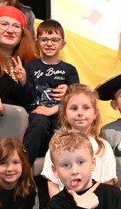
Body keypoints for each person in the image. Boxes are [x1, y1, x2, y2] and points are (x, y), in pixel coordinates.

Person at [41, 85, 117, 197]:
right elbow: (53, 184)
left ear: (95, 114)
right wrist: (59, 206)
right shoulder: (56, 147)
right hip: (65, 205)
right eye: (74, 108)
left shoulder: (103, 147)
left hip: (97, 204)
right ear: (65, 115)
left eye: (86, 108)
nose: (80, 113)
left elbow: (108, 183)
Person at [22, 19, 80, 161]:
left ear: (62, 43)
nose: (49, 44)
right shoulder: (30, 67)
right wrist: (23, 81)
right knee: (39, 123)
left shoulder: (69, 70)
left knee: (61, 126)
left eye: (54, 40)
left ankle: (65, 166)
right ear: (37, 42)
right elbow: (26, 98)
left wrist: (55, 109)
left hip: (60, 113)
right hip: (37, 112)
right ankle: (24, 167)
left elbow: (76, 99)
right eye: (44, 40)